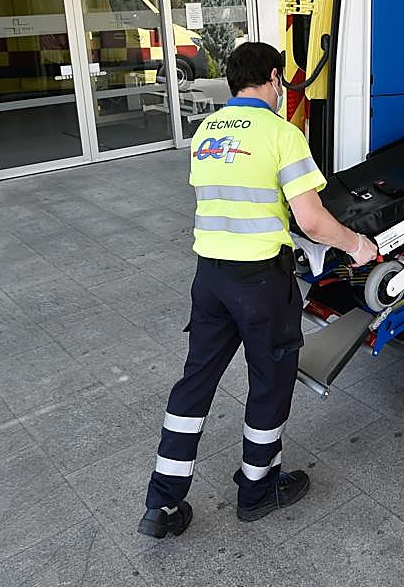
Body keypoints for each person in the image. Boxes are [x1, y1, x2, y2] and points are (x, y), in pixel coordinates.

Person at [139, 41, 378, 539]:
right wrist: (357, 245)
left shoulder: (204, 131)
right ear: (273, 77)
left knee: (195, 382)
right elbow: (312, 220)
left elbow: (230, 199)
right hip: (260, 283)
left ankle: (161, 503)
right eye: (281, 81)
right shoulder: (280, 133)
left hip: (209, 278)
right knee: (269, 381)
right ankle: (257, 487)